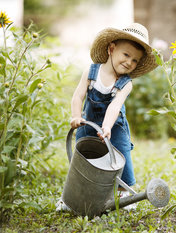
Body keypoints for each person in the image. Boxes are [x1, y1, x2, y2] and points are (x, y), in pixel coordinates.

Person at [56, 23, 158, 211]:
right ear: (111, 49)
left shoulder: (126, 83)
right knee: (82, 158)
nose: (129, 62)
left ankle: (122, 192)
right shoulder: (92, 72)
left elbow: (114, 106)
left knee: (121, 154)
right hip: (88, 123)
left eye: (135, 60)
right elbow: (78, 96)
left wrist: (108, 127)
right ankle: (71, 197)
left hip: (114, 126)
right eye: (126, 55)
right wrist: (76, 116)